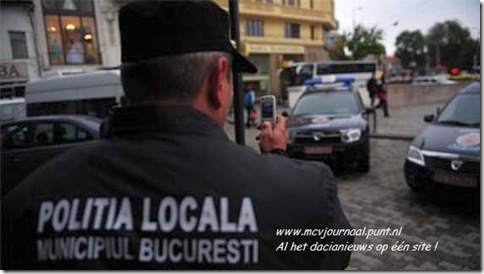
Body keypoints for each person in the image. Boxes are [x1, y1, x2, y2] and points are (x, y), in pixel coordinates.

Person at [1, 1, 352, 270]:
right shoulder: (304, 193)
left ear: (128, 80)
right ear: (218, 81)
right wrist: (277, 163)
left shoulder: (26, 203)